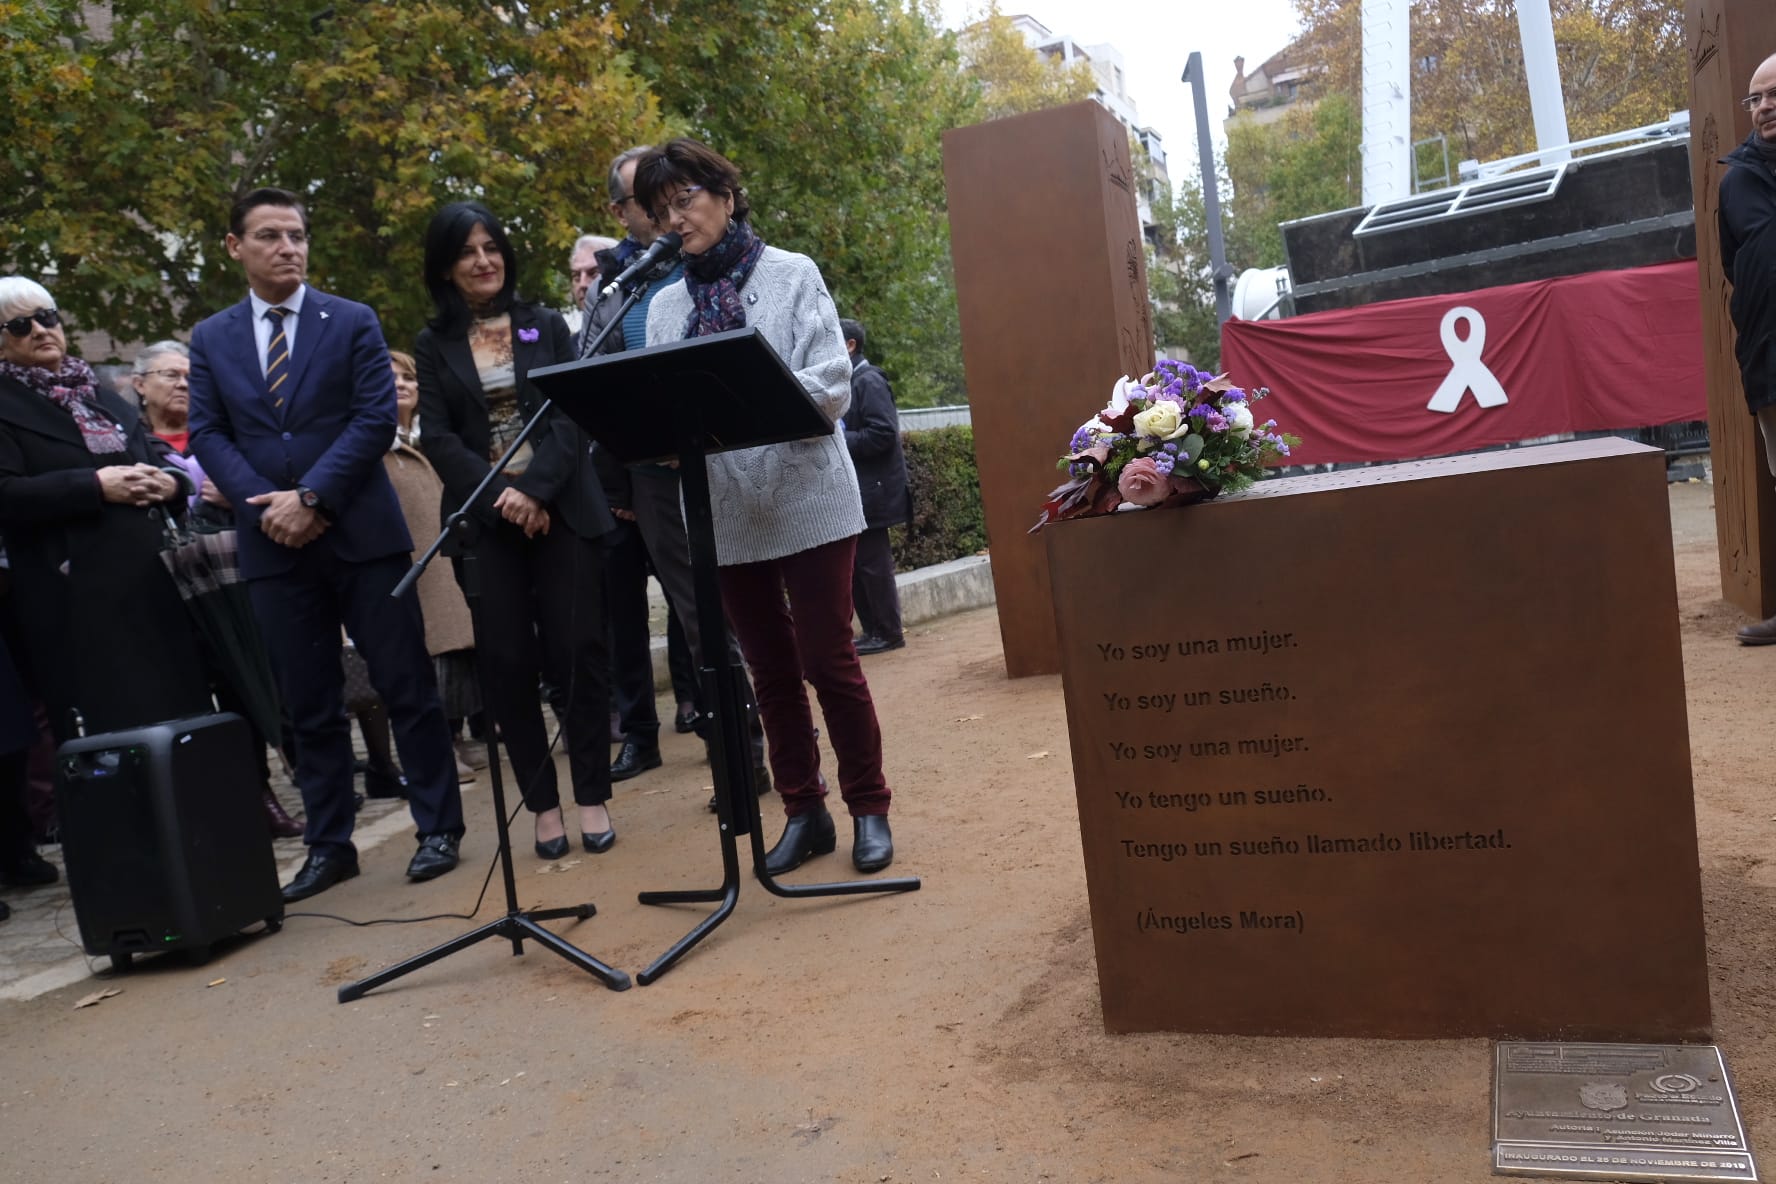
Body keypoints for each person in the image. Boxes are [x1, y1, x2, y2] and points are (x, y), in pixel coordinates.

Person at [188, 187, 465, 902]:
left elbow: (374, 418)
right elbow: (209, 433)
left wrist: (311, 497)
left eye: (297, 235)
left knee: (406, 685)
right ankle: (330, 844)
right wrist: (269, 506)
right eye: (270, 236)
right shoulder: (212, 337)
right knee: (306, 704)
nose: (288, 248)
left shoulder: (349, 321)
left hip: (360, 533)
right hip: (272, 543)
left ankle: (438, 826)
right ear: (234, 247)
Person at [635, 138, 897, 873]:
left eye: (685, 199)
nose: (675, 219)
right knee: (769, 673)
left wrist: (747, 414)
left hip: (809, 493)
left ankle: (869, 807)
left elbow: (831, 382)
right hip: (725, 509)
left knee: (828, 659)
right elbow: (663, 407)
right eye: (660, 211)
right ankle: (804, 812)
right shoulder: (662, 309)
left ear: (723, 194)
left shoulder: (791, 274)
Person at [414, 200, 618, 860]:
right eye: (468, 251)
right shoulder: (431, 343)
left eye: (492, 247)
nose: (483, 260)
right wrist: (503, 496)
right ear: (447, 267)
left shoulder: (545, 326)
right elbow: (439, 437)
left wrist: (534, 491)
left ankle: (592, 793)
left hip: (561, 511)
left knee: (577, 652)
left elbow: (570, 413)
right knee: (506, 665)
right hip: (488, 523)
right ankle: (543, 805)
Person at [584, 146, 769, 797]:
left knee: (752, 615)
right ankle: (739, 763)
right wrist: (619, 480)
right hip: (657, 476)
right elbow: (595, 383)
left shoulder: (714, 262)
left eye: (674, 198)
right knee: (698, 622)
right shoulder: (614, 284)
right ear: (622, 211)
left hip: (736, 465)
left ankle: (780, 749)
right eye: (649, 201)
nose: (667, 212)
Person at [0, 278, 214, 749]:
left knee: (176, 716)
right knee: (109, 731)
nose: (40, 330)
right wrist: (93, 486)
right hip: (73, 597)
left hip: (149, 583)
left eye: (47, 317)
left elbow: (155, 459)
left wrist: (171, 482)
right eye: (20, 325)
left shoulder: (100, 395)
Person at [133, 340, 305, 839]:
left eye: (189, 375)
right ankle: (251, 795)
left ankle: (300, 777)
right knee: (214, 692)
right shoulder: (131, 439)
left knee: (264, 678)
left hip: (239, 571)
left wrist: (238, 495)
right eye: (169, 375)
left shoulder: (220, 433)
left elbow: (271, 482)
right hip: (171, 584)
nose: (183, 383)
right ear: (139, 384)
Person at [383, 348, 479, 783]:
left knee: (457, 655)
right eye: (390, 378)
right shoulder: (379, 448)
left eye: (408, 378)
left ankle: (457, 738)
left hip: (444, 561)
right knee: (428, 659)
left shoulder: (426, 439)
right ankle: (437, 746)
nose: (401, 385)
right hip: (411, 567)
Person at [1722, 53, 1776, 644]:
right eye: (1756, 99)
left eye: (1774, 95)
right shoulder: (1735, 182)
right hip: (1771, 360)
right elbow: (1733, 266)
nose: (1764, 106)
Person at [838, 318, 910, 655]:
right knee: (857, 567)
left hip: (874, 491)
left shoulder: (869, 381)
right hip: (861, 491)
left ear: (850, 345)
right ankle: (873, 631)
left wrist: (838, 439)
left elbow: (883, 433)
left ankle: (888, 632)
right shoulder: (850, 383)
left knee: (873, 566)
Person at [566, 234, 618, 338]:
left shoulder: (638, 333)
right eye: (576, 276)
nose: (582, 284)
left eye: (593, 273)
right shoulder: (570, 348)